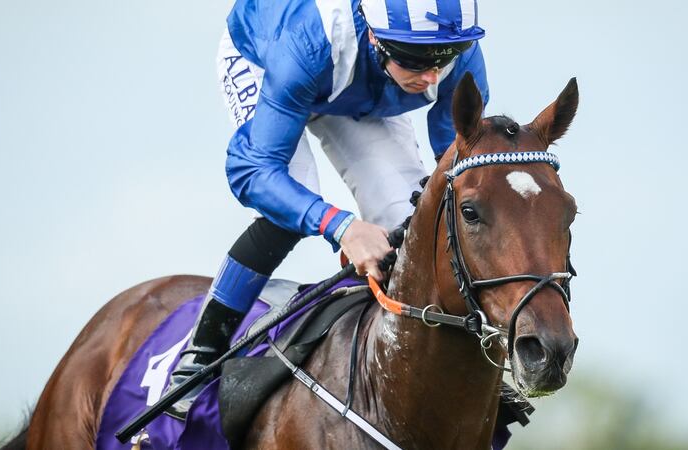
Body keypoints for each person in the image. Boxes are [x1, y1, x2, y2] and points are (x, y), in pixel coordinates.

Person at [164, 0, 489, 418]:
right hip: (276, 63)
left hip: (363, 84)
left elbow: (458, 162)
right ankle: (199, 354)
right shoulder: (307, 44)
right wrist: (342, 226)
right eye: (416, 59)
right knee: (285, 209)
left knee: (412, 225)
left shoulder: (454, 48)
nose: (431, 75)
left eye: (443, 59)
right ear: (375, 36)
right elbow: (254, 172)